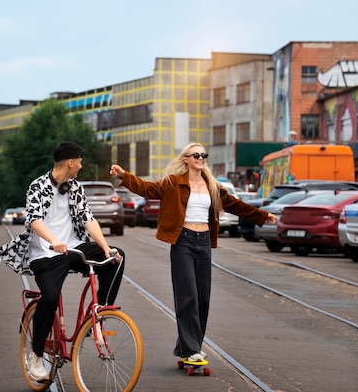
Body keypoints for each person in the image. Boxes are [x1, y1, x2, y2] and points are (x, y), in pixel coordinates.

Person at [110, 143, 276, 363]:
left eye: (203, 155)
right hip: (183, 242)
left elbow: (235, 205)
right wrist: (124, 175)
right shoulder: (172, 183)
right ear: (186, 159)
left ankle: (189, 346)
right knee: (187, 296)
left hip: (204, 242)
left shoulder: (212, 186)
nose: (200, 158)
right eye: (195, 155)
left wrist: (262, 216)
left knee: (202, 299)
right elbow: (146, 188)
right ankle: (191, 350)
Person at [0, 141, 124, 382]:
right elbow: (34, 220)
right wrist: (53, 240)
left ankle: (99, 313)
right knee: (49, 297)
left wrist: (105, 247)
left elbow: (88, 219)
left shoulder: (76, 188)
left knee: (116, 259)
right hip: (45, 254)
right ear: (70, 162)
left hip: (74, 249)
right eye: (80, 162)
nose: (81, 166)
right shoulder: (37, 186)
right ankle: (36, 356)